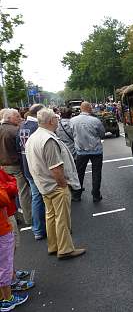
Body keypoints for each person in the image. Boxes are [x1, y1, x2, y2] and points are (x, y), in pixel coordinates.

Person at [25, 108, 86, 259]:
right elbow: (56, 168)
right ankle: (65, 249)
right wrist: (64, 185)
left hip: (43, 184)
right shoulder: (48, 140)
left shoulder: (33, 137)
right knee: (62, 218)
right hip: (55, 185)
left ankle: (53, 246)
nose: (58, 121)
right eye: (56, 119)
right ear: (51, 121)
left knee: (50, 216)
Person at [16, 104, 46, 240]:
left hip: (26, 166)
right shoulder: (37, 128)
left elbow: (18, 148)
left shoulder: (22, 126)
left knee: (36, 197)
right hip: (36, 168)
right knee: (40, 198)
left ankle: (38, 228)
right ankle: (40, 229)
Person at [0, 172, 29, 311]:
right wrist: (7, 188)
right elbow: (4, 197)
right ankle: (7, 299)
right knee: (5, 263)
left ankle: (3, 296)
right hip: (2, 227)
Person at [0, 109, 32, 226]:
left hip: (3, 166)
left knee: (9, 193)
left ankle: (15, 216)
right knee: (23, 192)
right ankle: (29, 218)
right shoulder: (15, 131)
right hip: (15, 165)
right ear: (10, 118)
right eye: (17, 117)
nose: (20, 118)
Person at [71, 102, 105, 203]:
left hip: (81, 151)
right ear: (89, 108)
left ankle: (77, 195)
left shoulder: (73, 121)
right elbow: (102, 134)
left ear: (81, 109)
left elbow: (71, 134)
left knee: (79, 173)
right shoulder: (95, 120)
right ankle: (96, 195)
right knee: (96, 173)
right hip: (96, 150)